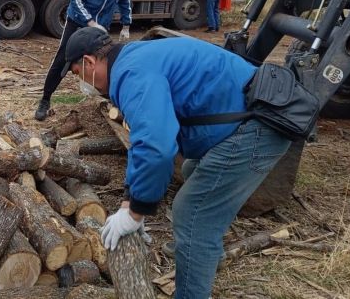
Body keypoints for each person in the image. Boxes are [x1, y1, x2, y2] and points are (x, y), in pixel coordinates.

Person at [60, 26, 292, 299]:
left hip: (261, 123)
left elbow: (157, 147)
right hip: (247, 115)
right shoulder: (131, 59)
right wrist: (130, 199)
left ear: (89, 62)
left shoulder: (131, 73)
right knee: (193, 170)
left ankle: (196, 261)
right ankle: (204, 253)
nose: (82, 83)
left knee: (192, 213)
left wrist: (136, 212)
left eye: (78, 74)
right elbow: (141, 138)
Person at [34, 0, 132, 120]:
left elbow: (125, 0)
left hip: (101, 26)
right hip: (78, 22)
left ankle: (110, 101)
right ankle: (45, 99)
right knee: (63, 58)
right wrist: (90, 22)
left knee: (104, 62)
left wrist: (126, 25)